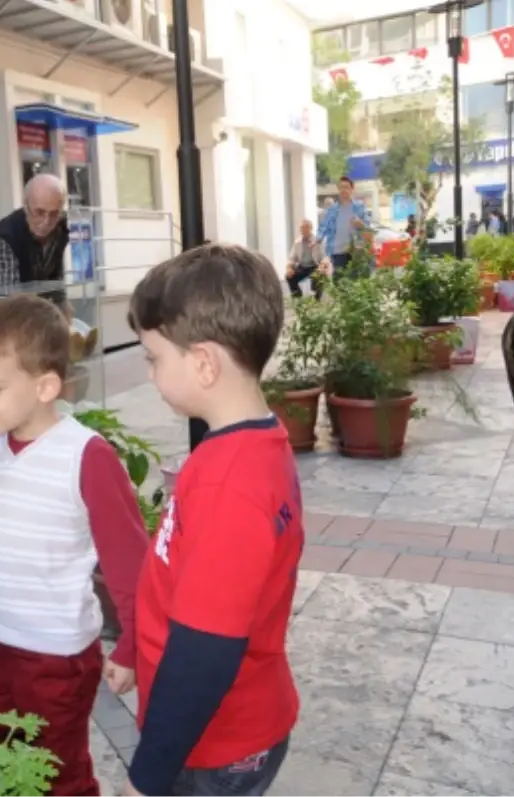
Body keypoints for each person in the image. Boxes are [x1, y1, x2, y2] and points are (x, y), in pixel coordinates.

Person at [0, 294, 149, 796]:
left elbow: (130, 564)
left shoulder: (86, 458)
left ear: (46, 386)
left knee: (58, 776)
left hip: (55, 657)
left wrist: (133, 647)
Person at [119, 244, 301, 797]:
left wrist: (145, 781)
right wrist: (134, 651)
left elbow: (204, 655)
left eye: (153, 358)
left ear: (203, 363)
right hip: (221, 729)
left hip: (214, 747)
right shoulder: (246, 446)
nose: (149, 373)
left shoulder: (230, 483)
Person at [0, 173, 69, 291]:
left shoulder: (60, 227)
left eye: (54, 214)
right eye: (39, 212)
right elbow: (10, 299)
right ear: (25, 206)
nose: (46, 221)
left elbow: (55, 279)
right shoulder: (4, 238)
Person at [317, 175, 368, 278]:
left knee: (355, 280)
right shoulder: (333, 209)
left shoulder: (359, 207)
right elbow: (324, 226)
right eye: (341, 187)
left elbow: (367, 226)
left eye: (346, 187)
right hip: (337, 250)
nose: (344, 190)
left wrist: (360, 224)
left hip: (355, 249)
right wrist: (318, 238)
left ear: (352, 189)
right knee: (339, 281)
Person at [284, 218, 330, 299]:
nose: (303, 230)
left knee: (319, 275)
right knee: (289, 276)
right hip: (302, 266)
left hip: (315, 265)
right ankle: (297, 297)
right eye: (301, 228)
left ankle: (316, 299)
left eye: (305, 227)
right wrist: (289, 267)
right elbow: (292, 258)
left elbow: (324, 256)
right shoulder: (297, 242)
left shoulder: (317, 241)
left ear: (310, 228)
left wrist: (322, 265)